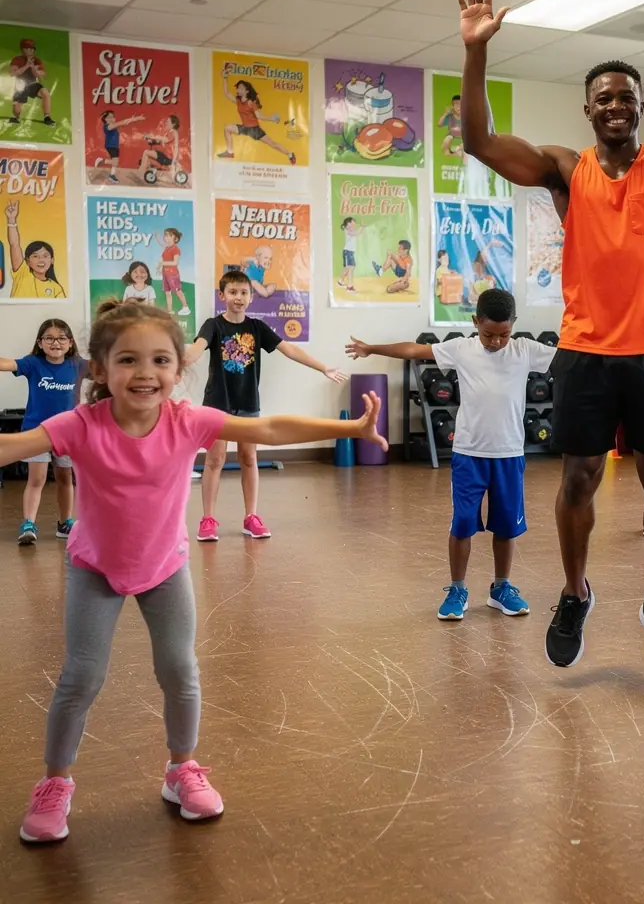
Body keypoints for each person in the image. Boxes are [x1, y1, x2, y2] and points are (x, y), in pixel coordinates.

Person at [454, 0, 644, 676]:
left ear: (641, 108)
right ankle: (575, 592)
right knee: (578, 476)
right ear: (589, 110)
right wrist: (475, 51)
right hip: (584, 349)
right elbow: (481, 140)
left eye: (627, 97)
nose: (616, 106)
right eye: (603, 97)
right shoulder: (563, 170)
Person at [7, 299, 386, 843]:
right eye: (128, 360)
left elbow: (270, 427)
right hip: (94, 568)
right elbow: (16, 446)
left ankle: (181, 768)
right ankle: (55, 782)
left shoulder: (187, 421)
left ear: (178, 369)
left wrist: (349, 426)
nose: (145, 374)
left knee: (179, 671)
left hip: (164, 567)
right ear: (98, 370)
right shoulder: (79, 425)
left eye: (161, 360)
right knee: (80, 678)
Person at [346, 290, 555, 621]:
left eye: (504, 334)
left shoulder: (525, 350)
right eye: (489, 334)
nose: (497, 342)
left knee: (506, 527)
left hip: (510, 454)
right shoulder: (462, 348)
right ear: (475, 323)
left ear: (513, 325)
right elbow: (414, 349)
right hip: (469, 454)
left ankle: (501, 587)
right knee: (462, 525)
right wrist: (371, 348)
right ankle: (457, 588)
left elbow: (571, 356)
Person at [185, 270, 347, 542]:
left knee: (249, 459)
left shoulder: (257, 328)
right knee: (215, 461)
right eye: (233, 292)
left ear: (250, 297)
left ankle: (251, 517)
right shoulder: (213, 326)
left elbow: (290, 349)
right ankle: (208, 519)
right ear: (222, 295)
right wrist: (178, 363)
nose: (238, 297)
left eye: (244, 292)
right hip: (217, 404)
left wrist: (323, 367)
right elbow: (197, 348)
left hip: (248, 403)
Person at [0, 319, 82, 544]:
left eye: (61, 338)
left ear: (70, 342)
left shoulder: (77, 365)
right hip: (36, 433)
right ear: (40, 342)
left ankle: (65, 523)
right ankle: (28, 523)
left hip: (67, 434)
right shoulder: (33, 363)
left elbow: (108, 368)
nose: (56, 343)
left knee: (65, 477)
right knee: (37, 478)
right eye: (49, 338)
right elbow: (7, 364)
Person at [217, 68, 295, 164]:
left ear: (247, 91)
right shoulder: (238, 101)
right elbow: (226, 93)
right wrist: (225, 77)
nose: (238, 90)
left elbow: (259, 116)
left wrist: (271, 118)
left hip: (254, 130)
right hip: (245, 128)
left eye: (241, 88)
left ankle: (290, 154)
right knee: (227, 128)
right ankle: (230, 152)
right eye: (238, 88)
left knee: (273, 144)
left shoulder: (250, 103)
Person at [5, 199, 66, 299]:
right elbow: (14, 244)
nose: (41, 260)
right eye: (35, 256)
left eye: (45, 256)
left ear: (52, 260)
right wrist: (11, 220)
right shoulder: (22, 272)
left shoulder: (56, 288)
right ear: (28, 261)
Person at [8, 38, 55, 127]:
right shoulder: (17, 59)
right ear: (23, 49)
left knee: (45, 93)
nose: (30, 50)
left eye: (32, 48)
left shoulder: (37, 60)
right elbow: (13, 73)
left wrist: (33, 67)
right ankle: (16, 117)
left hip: (32, 84)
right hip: (20, 85)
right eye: (28, 48)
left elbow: (40, 74)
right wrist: (26, 66)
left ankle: (47, 117)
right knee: (16, 111)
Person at [94, 110, 145, 183]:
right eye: (110, 117)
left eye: (113, 117)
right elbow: (123, 122)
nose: (112, 118)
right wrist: (135, 119)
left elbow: (124, 123)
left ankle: (112, 175)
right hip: (110, 145)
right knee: (115, 162)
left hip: (115, 146)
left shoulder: (114, 127)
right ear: (105, 119)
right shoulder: (107, 126)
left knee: (115, 162)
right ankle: (101, 160)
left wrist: (132, 120)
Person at [156, 227, 190, 316]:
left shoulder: (175, 249)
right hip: (165, 273)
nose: (167, 237)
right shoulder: (167, 248)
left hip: (172, 274)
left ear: (176, 239)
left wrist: (162, 263)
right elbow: (161, 243)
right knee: (167, 292)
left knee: (178, 291)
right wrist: (156, 237)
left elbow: (175, 262)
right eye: (166, 235)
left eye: (170, 235)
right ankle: (170, 310)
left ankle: (185, 307)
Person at [139, 115, 182, 180]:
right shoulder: (170, 132)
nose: (166, 123)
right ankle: (144, 172)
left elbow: (165, 139)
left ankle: (141, 173)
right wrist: (152, 140)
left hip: (168, 158)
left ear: (173, 124)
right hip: (166, 156)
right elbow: (162, 141)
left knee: (146, 152)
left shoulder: (173, 132)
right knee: (147, 155)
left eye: (168, 121)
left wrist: (153, 137)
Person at [338, 216, 365, 292]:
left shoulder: (351, 230)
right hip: (348, 252)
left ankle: (340, 282)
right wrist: (362, 227)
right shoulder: (347, 230)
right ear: (349, 223)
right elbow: (356, 233)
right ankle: (349, 287)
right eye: (353, 221)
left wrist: (362, 228)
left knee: (347, 269)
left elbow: (358, 233)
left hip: (349, 252)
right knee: (351, 268)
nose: (354, 223)